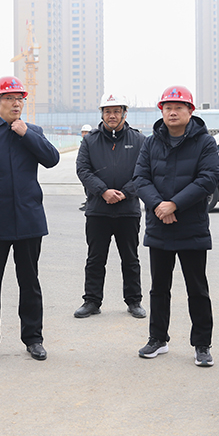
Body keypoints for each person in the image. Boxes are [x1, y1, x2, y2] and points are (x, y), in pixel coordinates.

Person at [0, 76, 60, 364]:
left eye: (20, 99)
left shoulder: (32, 131)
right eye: (9, 98)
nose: (16, 103)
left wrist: (26, 134)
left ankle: (33, 338)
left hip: (29, 219)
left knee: (30, 282)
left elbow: (51, 159)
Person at [133, 85, 219, 367]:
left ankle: (202, 345)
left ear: (190, 111)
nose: (172, 112)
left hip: (191, 226)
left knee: (197, 289)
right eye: (168, 107)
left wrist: (175, 205)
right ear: (162, 111)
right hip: (160, 226)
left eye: (179, 107)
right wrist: (160, 205)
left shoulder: (205, 143)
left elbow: (208, 178)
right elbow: (140, 178)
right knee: (159, 288)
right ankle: (158, 339)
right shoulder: (151, 143)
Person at [75, 93, 146, 320]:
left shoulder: (139, 140)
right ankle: (92, 301)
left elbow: (145, 171)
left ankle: (134, 301)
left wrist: (125, 193)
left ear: (125, 113)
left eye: (116, 111)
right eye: (107, 111)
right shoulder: (90, 140)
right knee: (95, 258)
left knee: (130, 259)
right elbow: (83, 169)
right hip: (98, 209)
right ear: (102, 114)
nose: (112, 115)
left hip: (128, 210)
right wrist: (103, 191)